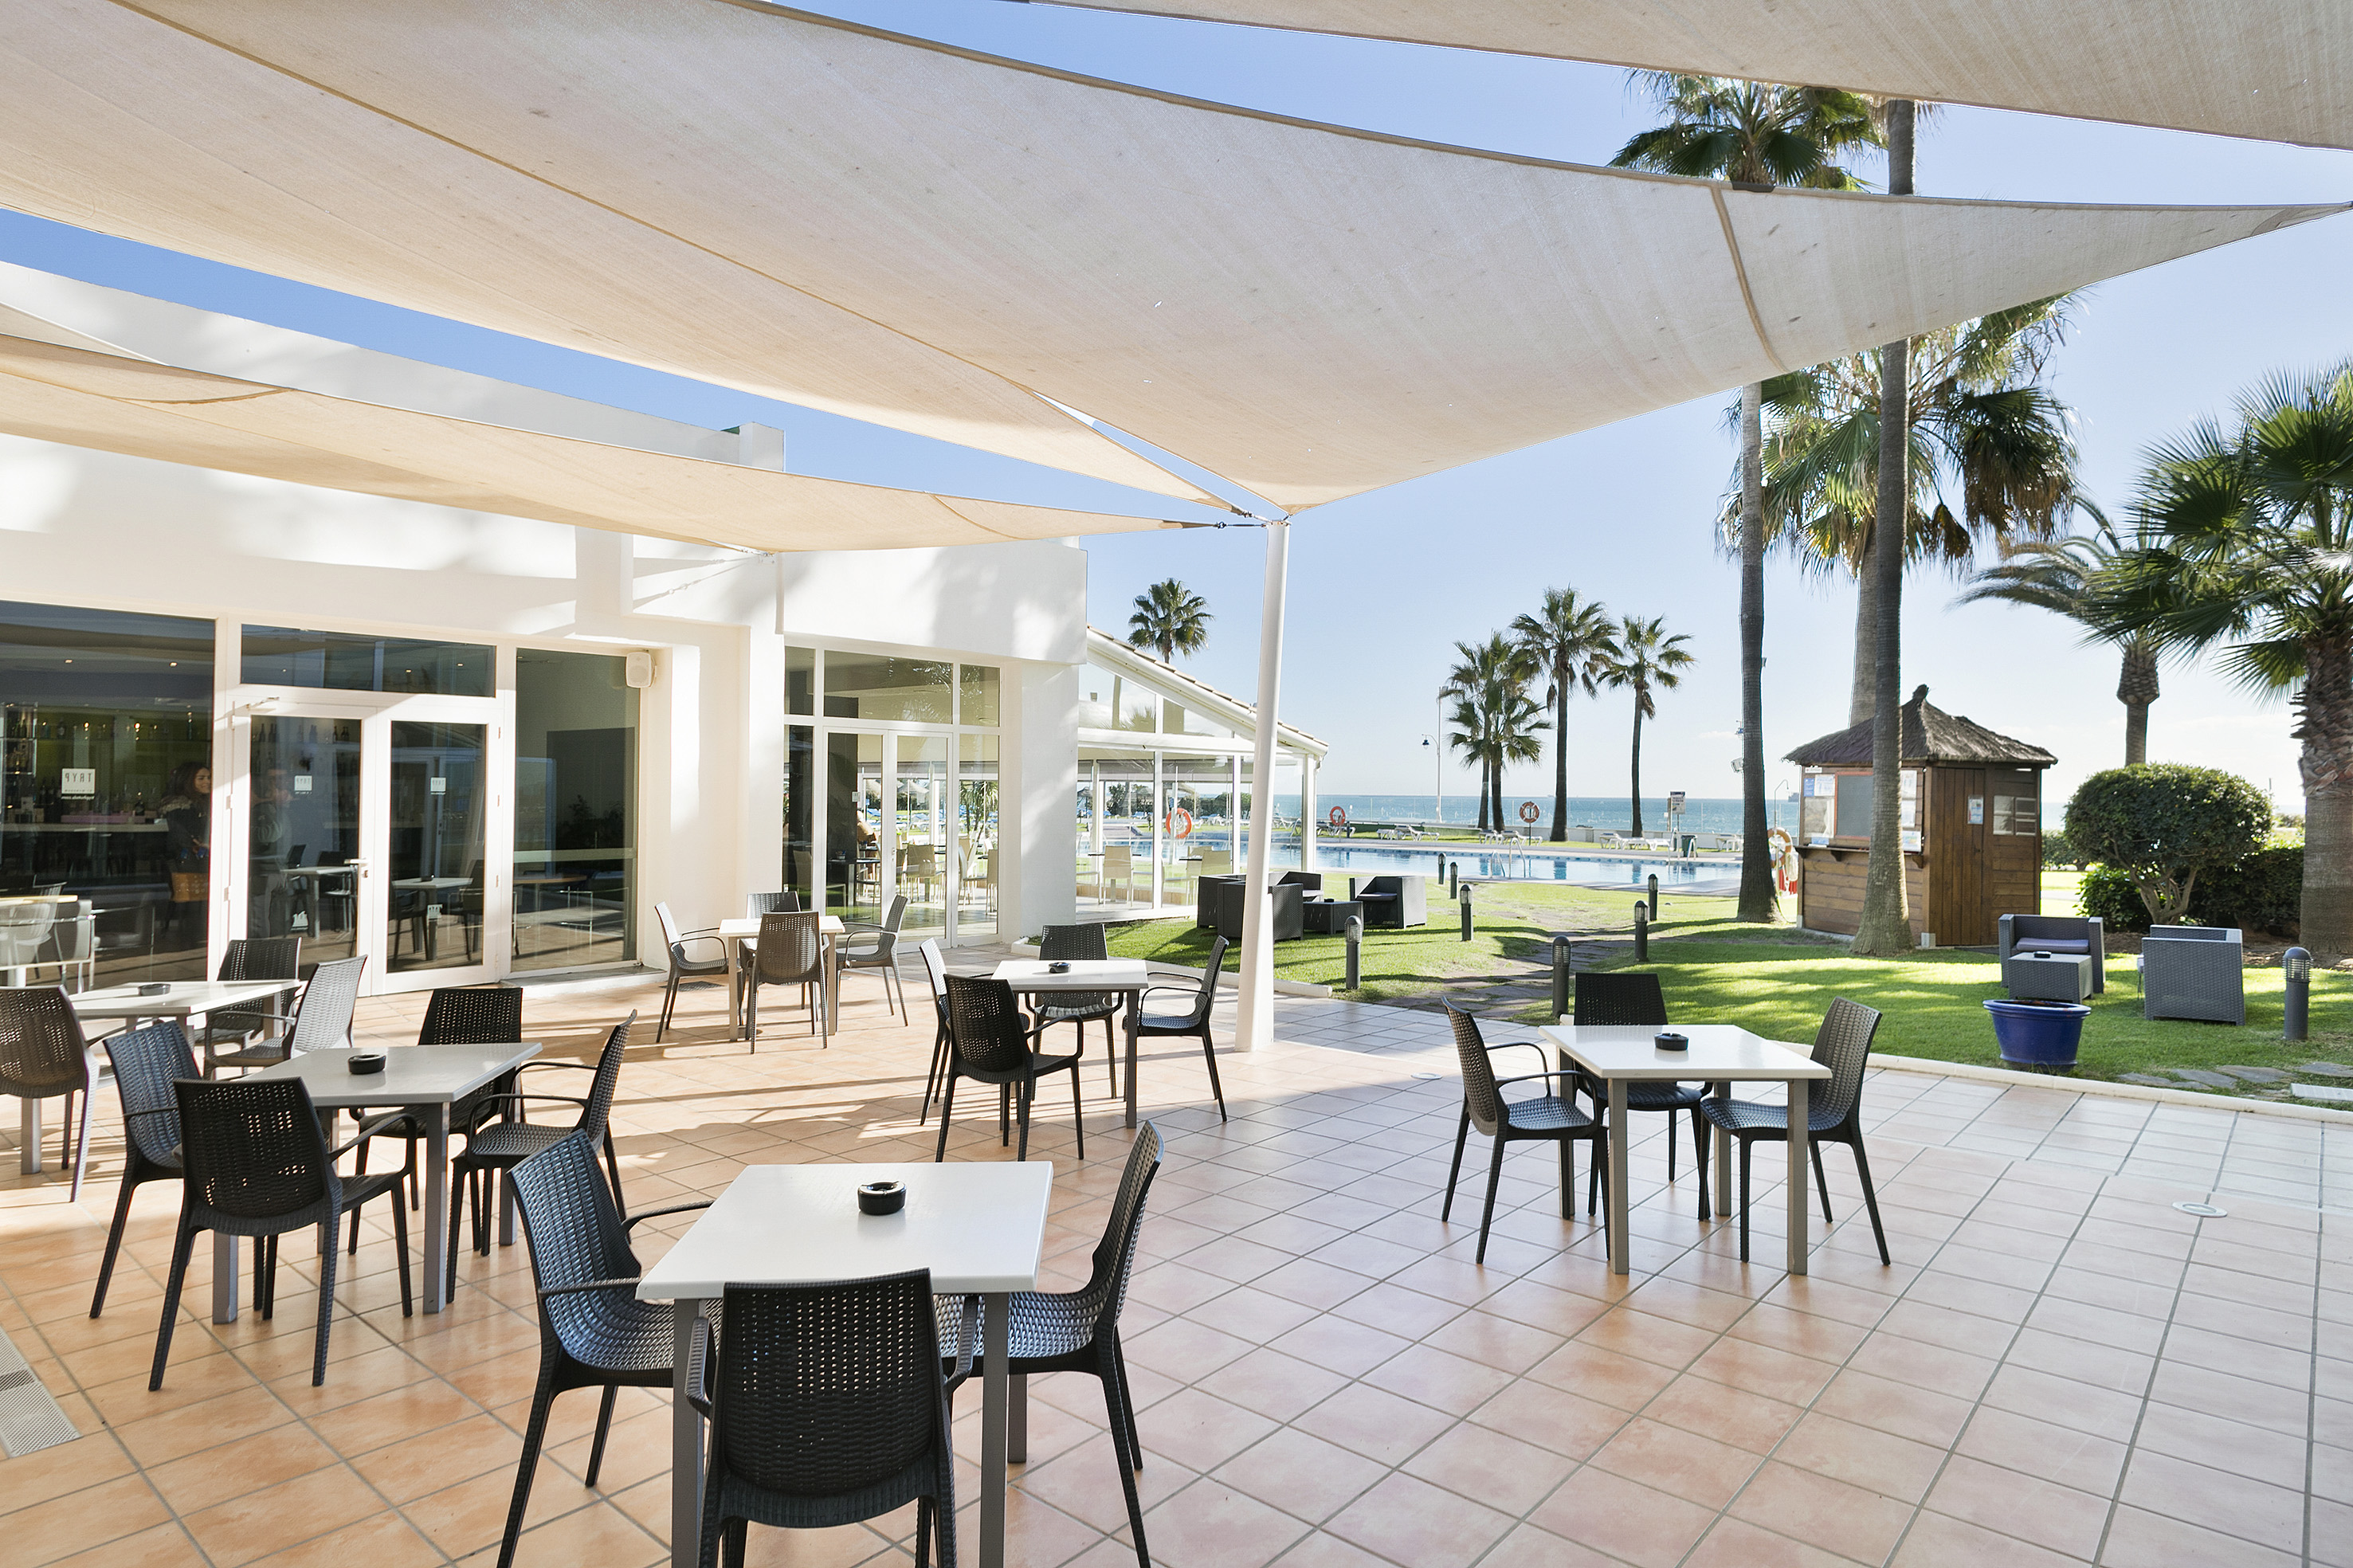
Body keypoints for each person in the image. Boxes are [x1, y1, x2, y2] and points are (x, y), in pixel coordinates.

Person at [159, 761, 210, 950]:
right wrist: (200, 845)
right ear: (188, 781)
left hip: (196, 860)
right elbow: (183, 836)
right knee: (192, 903)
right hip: (187, 861)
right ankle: (190, 942)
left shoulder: (205, 803)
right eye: (201, 778)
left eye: (209, 777)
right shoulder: (180, 807)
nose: (207, 782)